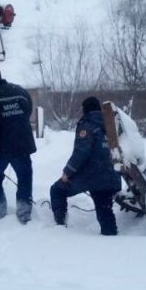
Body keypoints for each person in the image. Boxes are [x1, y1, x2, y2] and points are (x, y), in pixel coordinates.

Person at [50, 96, 121, 236]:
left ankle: (59, 226)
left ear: (85, 109)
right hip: (111, 175)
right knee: (104, 208)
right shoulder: (110, 124)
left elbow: (82, 152)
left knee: (57, 190)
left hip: (92, 175)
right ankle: (111, 238)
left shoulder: (87, 125)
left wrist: (67, 173)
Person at [0, 64, 37, 223]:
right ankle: (24, 210)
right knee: (24, 176)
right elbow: (28, 111)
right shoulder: (20, 90)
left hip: (1, 148)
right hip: (22, 144)